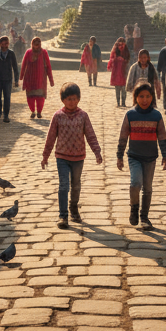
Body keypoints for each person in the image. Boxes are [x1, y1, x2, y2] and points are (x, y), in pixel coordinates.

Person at [41, 81, 103, 228]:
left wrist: (97, 151)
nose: (72, 101)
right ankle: (63, 216)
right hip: (61, 157)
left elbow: (90, 135)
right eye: (69, 99)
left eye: (74, 98)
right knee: (64, 186)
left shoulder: (83, 116)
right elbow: (50, 137)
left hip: (78, 157)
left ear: (79, 99)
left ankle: (73, 207)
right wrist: (45, 156)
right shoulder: (58, 116)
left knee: (75, 185)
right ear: (63, 100)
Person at [117, 80, 166, 230]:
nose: (144, 100)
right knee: (135, 184)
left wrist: (165, 155)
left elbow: (162, 137)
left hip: (150, 158)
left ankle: (144, 217)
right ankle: (134, 208)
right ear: (135, 97)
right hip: (134, 156)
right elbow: (123, 136)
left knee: (147, 188)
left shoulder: (156, 116)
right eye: (141, 96)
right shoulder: (130, 115)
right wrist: (119, 156)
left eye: (147, 96)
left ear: (152, 97)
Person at [20, 36, 54, 119]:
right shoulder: (28, 53)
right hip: (30, 78)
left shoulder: (44, 53)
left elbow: (48, 66)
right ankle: (32, 111)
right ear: (32, 44)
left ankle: (39, 112)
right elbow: (24, 65)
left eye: (38, 45)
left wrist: (51, 80)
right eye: (35, 45)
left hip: (40, 79)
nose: (36, 46)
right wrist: (21, 76)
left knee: (40, 97)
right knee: (30, 97)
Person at [0, 35, 20, 122]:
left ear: (8, 44)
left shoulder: (11, 54)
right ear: (0, 44)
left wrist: (16, 80)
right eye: (3, 43)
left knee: (7, 97)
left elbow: (15, 68)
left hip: (8, 80)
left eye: (6, 43)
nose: (5, 45)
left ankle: (6, 115)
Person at [108, 38, 130, 107]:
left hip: (124, 72)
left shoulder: (126, 51)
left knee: (124, 88)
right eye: (120, 43)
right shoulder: (115, 50)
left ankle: (123, 103)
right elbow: (111, 59)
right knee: (117, 88)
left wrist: (124, 60)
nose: (121, 45)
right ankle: (118, 103)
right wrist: (116, 59)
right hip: (116, 71)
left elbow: (128, 58)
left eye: (123, 43)